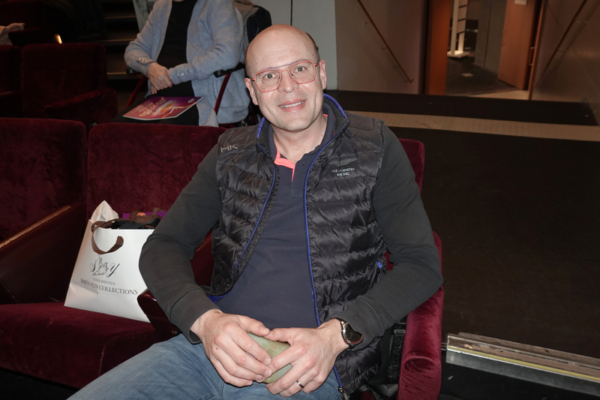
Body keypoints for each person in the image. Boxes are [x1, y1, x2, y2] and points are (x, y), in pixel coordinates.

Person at [70, 24, 442, 399]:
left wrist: (337, 335)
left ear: (321, 73)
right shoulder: (231, 153)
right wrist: (205, 321)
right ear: (252, 91)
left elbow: (420, 263)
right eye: (269, 76)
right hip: (210, 350)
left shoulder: (374, 147)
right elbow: (164, 244)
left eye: (299, 69)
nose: (287, 87)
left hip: (307, 364)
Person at [119, 0, 250, 126]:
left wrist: (171, 76)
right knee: (115, 130)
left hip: (203, 99)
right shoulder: (161, 6)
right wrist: (149, 67)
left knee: (162, 134)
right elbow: (133, 49)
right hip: (160, 99)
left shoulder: (217, 3)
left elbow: (227, 55)